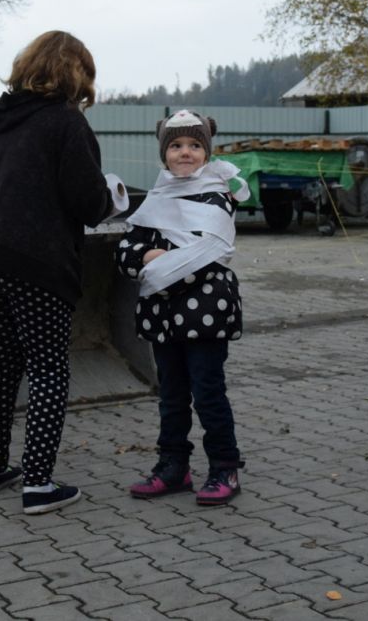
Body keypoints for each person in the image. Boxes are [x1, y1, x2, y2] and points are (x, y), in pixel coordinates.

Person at [0, 30, 116, 515]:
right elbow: (88, 202)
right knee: (48, 368)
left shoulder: (5, 119)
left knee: (3, 360)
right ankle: (38, 483)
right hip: (35, 259)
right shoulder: (66, 123)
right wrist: (113, 199)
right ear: (76, 74)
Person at [116, 109, 248, 505]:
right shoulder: (156, 199)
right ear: (164, 154)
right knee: (171, 396)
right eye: (175, 145)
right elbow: (124, 253)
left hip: (206, 314)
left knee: (208, 393)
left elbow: (208, 255)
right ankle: (174, 467)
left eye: (194, 145)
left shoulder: (218, 197)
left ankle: (225, 468)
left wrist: (159, 261)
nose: (185, 152)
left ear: (207, 152)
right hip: (163, 318)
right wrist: (151, 256)